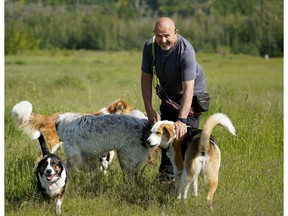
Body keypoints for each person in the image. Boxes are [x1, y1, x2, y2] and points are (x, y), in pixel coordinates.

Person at [141, 17, 207, 182]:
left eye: (167, 36)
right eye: (159, 36)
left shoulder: (186, 51)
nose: (163, 40)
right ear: (154, 34)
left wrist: (182, 119)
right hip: (168, 97)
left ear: (175, 33)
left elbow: (188, 89)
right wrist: (149, 109)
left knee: (184, 141)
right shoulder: (150, 48)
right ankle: (166, 179)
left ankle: (185, 182)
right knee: (164, 137)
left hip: (190, 97)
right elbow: (146, 78)